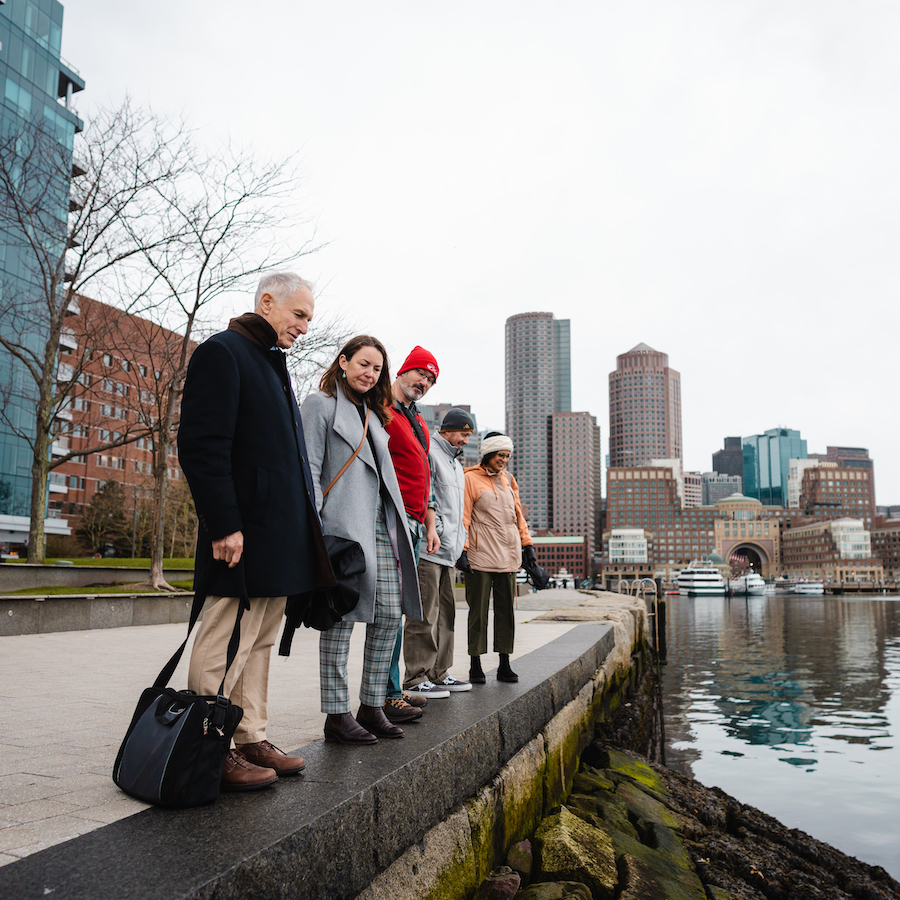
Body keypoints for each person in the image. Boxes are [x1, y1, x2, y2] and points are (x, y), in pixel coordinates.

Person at [178, 272, 333, 791]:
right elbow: (201, 445)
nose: (305, 327)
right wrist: (223, 524)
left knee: (261, 639)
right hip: (241, 534)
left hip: (277, 537)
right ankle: (207, 743)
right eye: (299, 315)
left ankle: (248, 735)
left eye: (309, 318)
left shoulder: (271, 363)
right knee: (224, 638)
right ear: (267, 302)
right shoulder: (223, 353)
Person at [301, 335, 423, 743]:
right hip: (343, 529)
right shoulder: (320, 405)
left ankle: (371, 706)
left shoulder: (375, 414)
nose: (369, 374)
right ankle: (337, 715)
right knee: (339, 621)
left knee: (390, 614)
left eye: (377, 369)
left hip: (383, 527)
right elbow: (311, 469)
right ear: (343, 362)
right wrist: (315, 531)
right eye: (363, 364)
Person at [379, 346, 447, 717]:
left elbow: (427, 476)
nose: (424, 382)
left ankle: (392, 689)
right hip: (393, 518)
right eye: (421, 373)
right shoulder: (381, 409)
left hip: (417, 524)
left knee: (403, 610)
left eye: (431, 380)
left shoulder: (418, 421)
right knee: (388, 611)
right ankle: (385, 693)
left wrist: (431, 522)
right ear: (404, 371)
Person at [404, 407, 476, 697]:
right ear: (446, 431)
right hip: (429, 550)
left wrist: (460, 544)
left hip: (449, 553)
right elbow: (426, 498)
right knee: (424, 616)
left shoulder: (456, 465)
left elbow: (457, 510)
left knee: (447, 616)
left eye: (469, 435)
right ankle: (415, 676)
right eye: (463, 434)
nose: (466, 441)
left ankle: (439, 672)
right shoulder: (430, 453)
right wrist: (443, 532)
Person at [460, 432, 535, 685]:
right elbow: (464, 517)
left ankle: (504, 664)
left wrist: (527, 545)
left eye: (507, 456)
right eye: (501, 455)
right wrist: (463, 550)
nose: (504, 460)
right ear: (488, 454)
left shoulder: (508, 480)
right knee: (478, 613)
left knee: (506, 613)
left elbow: (518, 516)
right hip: (480, 556)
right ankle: (475, 664)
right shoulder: (469, 479)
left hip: (508, 556)